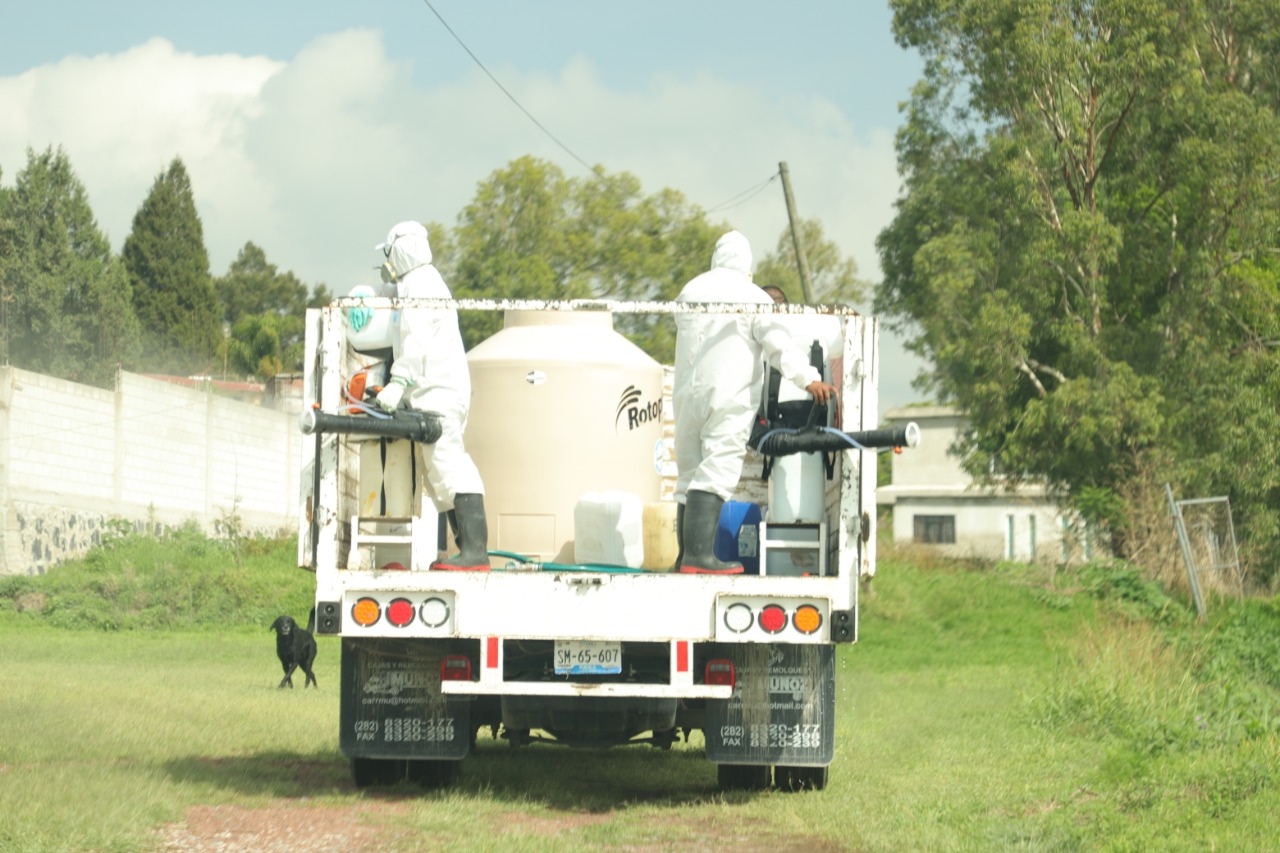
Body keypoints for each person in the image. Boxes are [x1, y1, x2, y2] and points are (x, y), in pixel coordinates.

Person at [672, 230, 837, 574]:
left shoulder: (690, 289)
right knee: (717, 469)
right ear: (747, 265)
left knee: (689, 474)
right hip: (728, 394)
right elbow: (778, 344)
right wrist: (808, 379)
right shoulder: (752, 296)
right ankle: (699, 558)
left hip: (687, 396)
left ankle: (685, 556)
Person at [373, 221, 490, 571]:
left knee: (449, 463)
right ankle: (467, 552)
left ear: (400, 251)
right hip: (434, 390)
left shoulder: (421, 283)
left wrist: (398, 380)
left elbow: (416, 336)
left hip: (438, 390)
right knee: (441, 473)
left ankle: (475, 554)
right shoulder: (418, 282)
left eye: (388, 254)